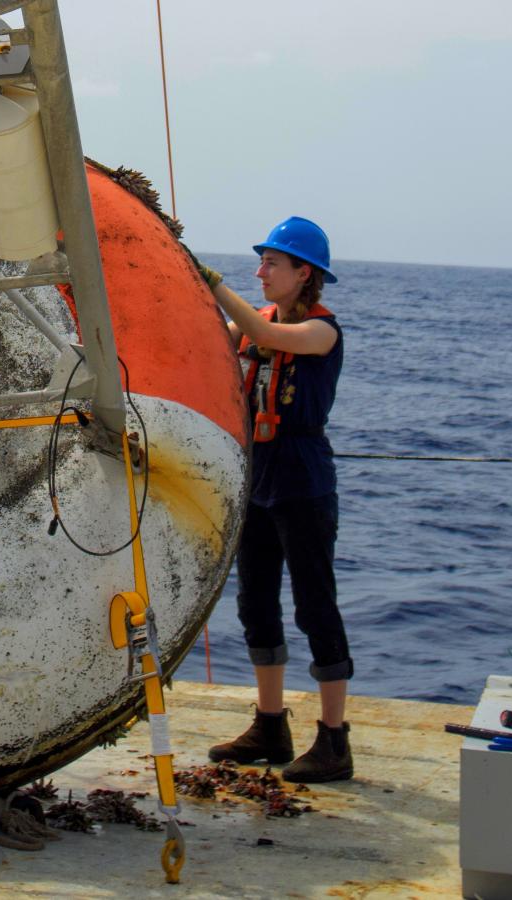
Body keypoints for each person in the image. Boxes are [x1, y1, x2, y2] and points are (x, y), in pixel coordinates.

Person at [192, 216, 352, 783]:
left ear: (303, 273)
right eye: (260, 262)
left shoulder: (321, 332)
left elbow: (265, 341)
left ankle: (334, 739)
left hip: (303, 480)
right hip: (258, 476)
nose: (261, 272)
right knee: (255, 602)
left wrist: (212, 284)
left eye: (272, 263)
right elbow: (225, 341)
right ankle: (270, 724)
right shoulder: (257, 320)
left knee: (315, 606)